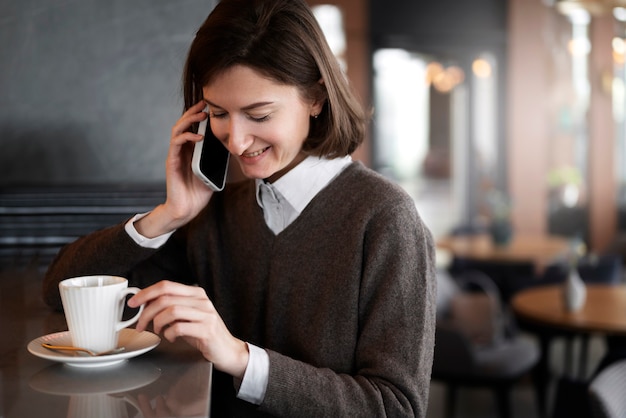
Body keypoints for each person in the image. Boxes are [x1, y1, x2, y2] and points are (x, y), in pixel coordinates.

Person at [43, 0, 437, 416]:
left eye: (259, 114)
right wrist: (168, 215)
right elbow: (60, 293)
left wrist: (241, 358)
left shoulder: (385, 219)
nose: (236, 141)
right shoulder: (216, 215)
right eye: (218, 113)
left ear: (317, 98)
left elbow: (396, 408)